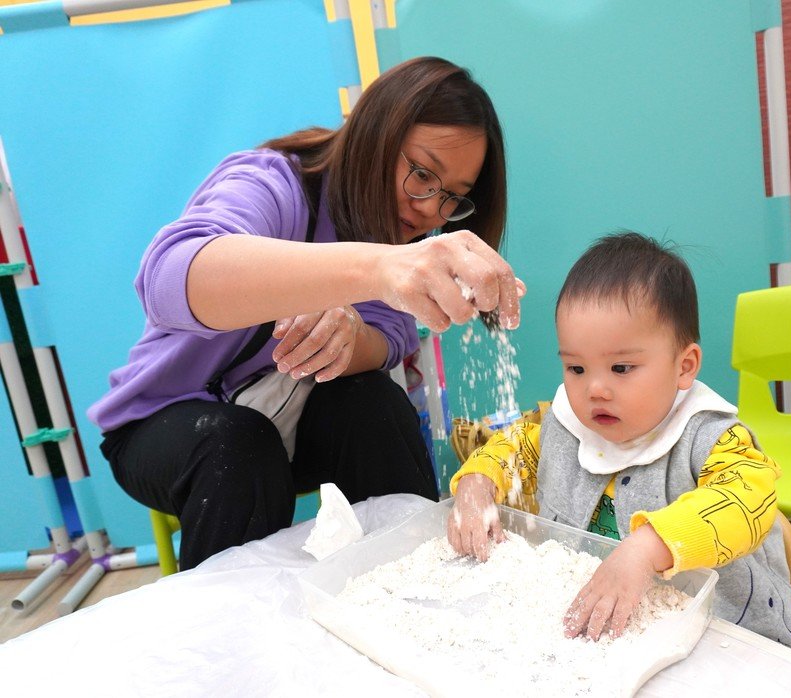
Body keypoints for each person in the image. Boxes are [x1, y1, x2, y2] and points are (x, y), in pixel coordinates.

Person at [88, 56, 522, 571]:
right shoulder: (274, 184)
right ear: (375, 134)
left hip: (289, 431)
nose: (430, 209)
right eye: (423, 174)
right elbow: (168, 277)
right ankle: (233, 618)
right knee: (240, 445)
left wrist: (350, 333)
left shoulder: (397, 235)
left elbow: (387, 339)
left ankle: (413, 585)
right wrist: (376, 268)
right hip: (172, 424)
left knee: (376, 404)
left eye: (452, 198)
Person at [447, 232, 791, 653]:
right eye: (576, 368)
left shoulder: (712, 440)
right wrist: (477, 484)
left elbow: (746, 501)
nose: (595, 389)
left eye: (621, 368)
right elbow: (508, 450)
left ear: (684, 366)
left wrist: (649, 548)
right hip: (600, 629)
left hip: (721, 636)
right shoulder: (563, 426)